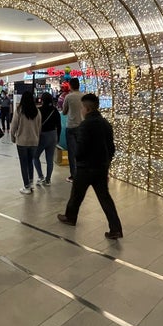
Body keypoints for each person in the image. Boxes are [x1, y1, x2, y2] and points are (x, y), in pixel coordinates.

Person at [57, 93, 123, 240]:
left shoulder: (85, 125)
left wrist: (78, 159)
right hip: (101, 168)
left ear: (86, 108)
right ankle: (115, 228)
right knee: (105, 198)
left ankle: (70, 217)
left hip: (85, 168)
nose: (81, 110)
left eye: (82, 107)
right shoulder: (106, 124)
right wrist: (106, 163)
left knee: (76, 194)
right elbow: (111, 148)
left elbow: (80, 149)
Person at [10, 91, 41, 194]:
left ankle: (26, 186)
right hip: (34, 141)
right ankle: (31, 183)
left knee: (23, 164)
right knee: (30, 162)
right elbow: (39, 127)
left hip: (22, 142)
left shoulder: (19, 111)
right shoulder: (37, 111)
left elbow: (13, 126)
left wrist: (12, 137)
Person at [33, 92, 61, 186]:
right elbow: (59, 125)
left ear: (42, 100)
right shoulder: (55, 110)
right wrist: (58, 137)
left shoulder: (39, 110)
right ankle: (48, 180)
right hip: (53, 135)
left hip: (42, 136)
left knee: (35, 156)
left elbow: (35, 124)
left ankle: (40, 176)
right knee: (50, 159)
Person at [61, 77, 83, 182]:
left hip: (71, 126)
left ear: (70, 86)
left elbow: (64, 112)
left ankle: (73, 175)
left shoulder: (68, 97)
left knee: (71, 152)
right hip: (81, 126)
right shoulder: (84, 96)